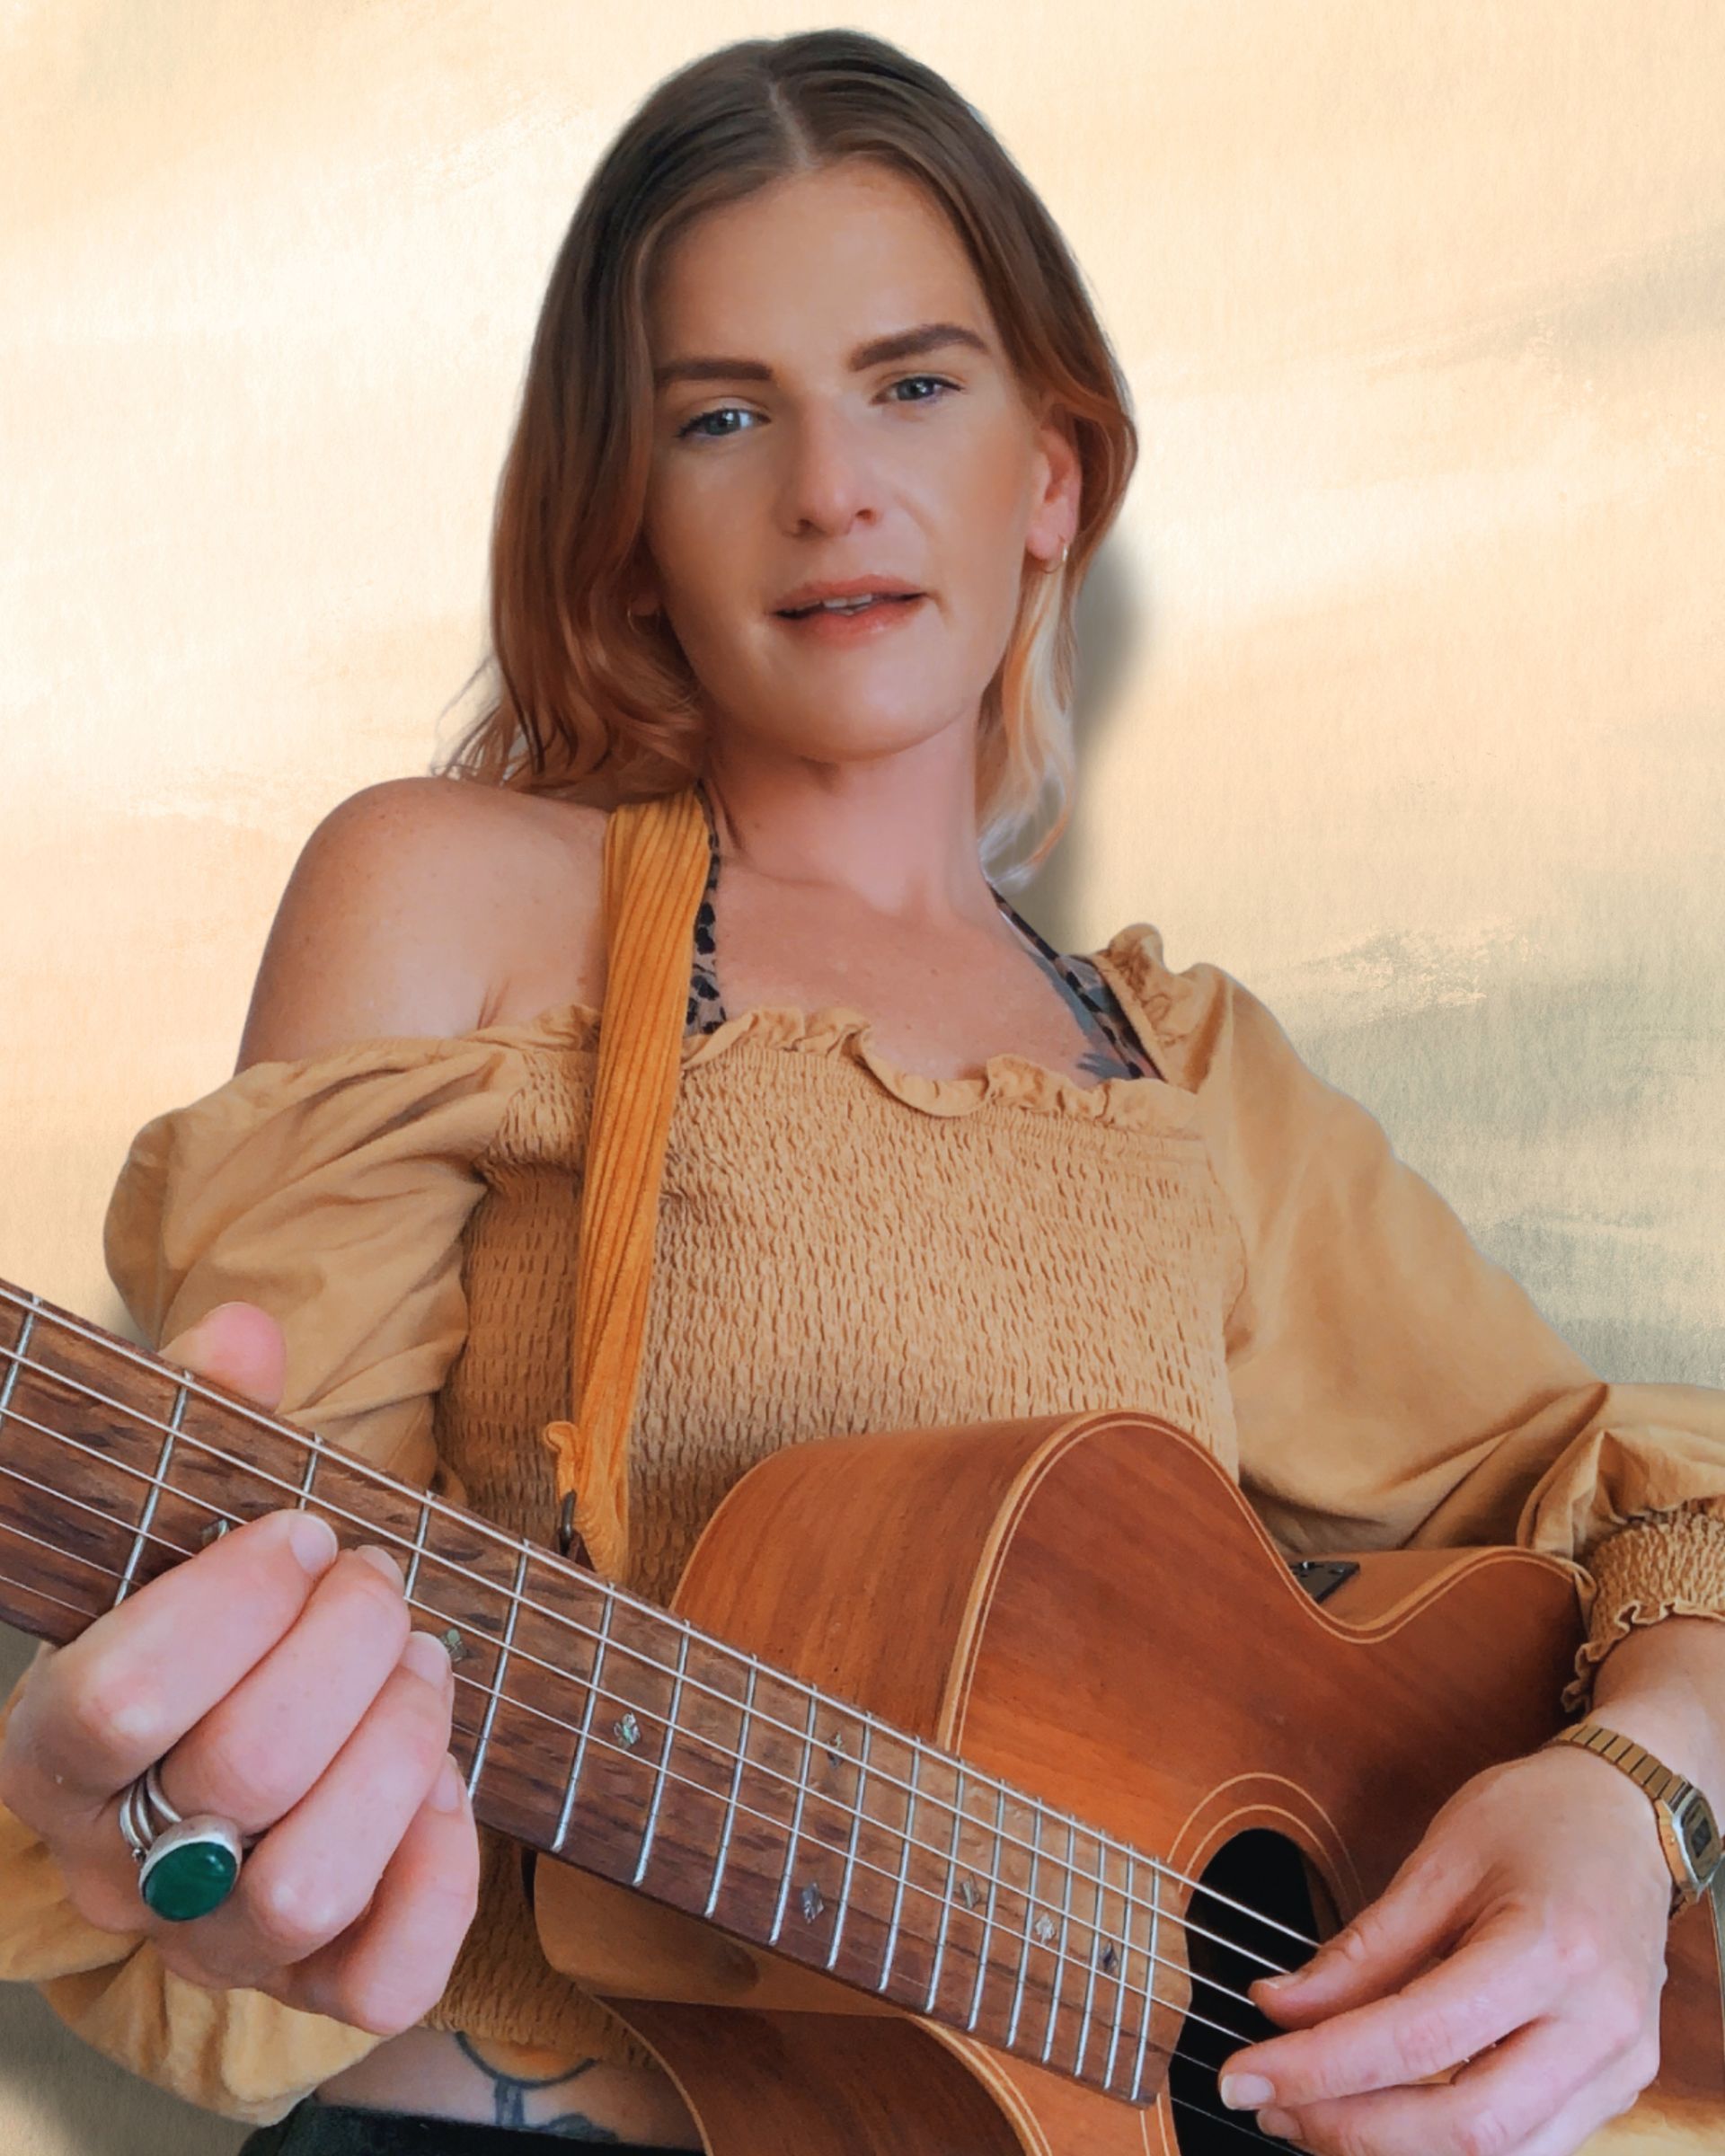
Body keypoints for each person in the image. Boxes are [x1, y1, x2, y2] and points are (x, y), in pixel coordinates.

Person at [3, 26, 1724, 2156]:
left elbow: (1653, 1503)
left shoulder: (1183, 1071)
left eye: (913, 385)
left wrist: (1635, 1794)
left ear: (1052, 477)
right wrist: (199, 1809)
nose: (829, 487)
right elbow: (240, 1737)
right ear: (630, 529)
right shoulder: (450, 895)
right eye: (723, 416)